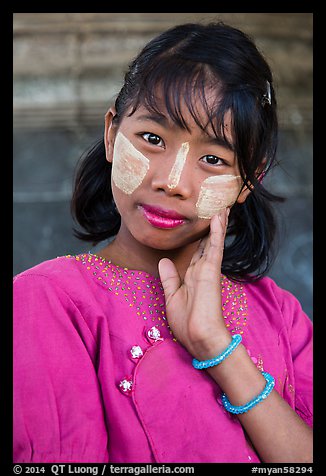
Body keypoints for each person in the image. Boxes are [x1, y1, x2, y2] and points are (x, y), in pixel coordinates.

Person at [13, 22, 313, 464]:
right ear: (113, 134)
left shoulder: (281, 315)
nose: (172, 183)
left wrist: (217, 348)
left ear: (250, 179)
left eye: (213, 159)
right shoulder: (49, 301)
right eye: (152, 139)